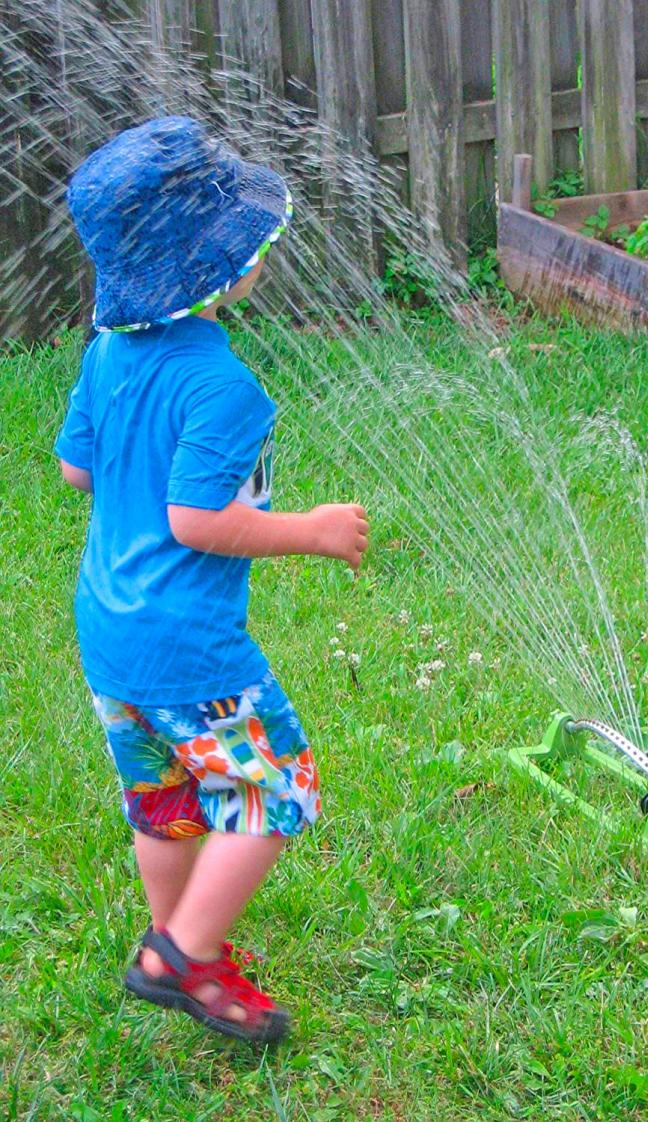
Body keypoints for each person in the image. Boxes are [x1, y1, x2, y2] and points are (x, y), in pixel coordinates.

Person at [56, 116, 368, 1044]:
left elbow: (76, 469)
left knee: (166, 799)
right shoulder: (224, 385)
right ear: (212, 268)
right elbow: (197, 521)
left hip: (107, 632)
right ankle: (184, 957)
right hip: (189, 645)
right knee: (277, 792)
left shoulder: (106, 351)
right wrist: (310, 530)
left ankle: (175, 932)